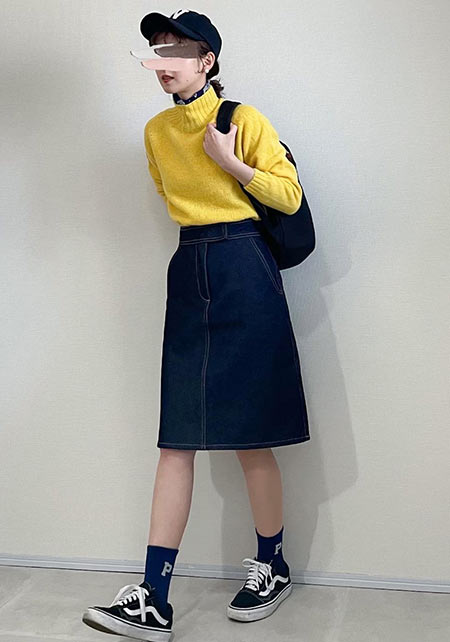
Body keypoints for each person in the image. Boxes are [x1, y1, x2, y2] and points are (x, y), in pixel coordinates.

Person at [82, 9, 310, 641]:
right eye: (156, 51)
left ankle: (272, 564)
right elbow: (168, 196)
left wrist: (231, 163)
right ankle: (154, 596)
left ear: (207, 60)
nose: (163, 62)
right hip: (189, 269)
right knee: (176, 436)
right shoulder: (157, 131)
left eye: (176, 50)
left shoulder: (242, 119)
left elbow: (288, 196)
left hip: (245, 266)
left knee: (250, 433)